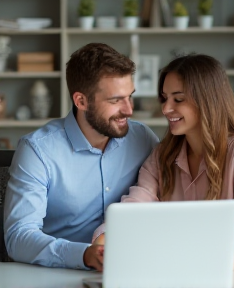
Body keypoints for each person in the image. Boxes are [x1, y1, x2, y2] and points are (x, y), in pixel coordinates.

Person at [92, 53, 234, 271]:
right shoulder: (163, 155)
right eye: (164, 98)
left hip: (227, 278)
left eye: (178, 99)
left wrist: (214, 266)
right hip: (171, 273)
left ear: (207, 100)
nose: (166, 108)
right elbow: (134, 208)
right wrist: (102, 242)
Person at [4, 43, 159, 270]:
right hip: (58, 275)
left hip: (133, 269)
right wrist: (83, 255)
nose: (128, 110)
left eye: (130, 97)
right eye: (115, 100)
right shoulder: (38, 150)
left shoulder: (142, 138)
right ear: (81, 101)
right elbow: (18, 237)